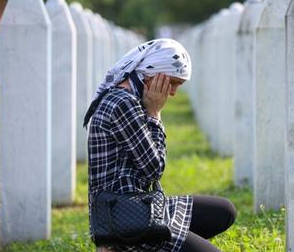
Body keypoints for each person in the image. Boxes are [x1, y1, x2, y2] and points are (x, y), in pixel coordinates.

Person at [84, 38, 236, 252]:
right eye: (173, 83)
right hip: (123, 219)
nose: (173, 92)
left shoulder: (129, 97)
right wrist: (154, 114)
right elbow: (154, 169)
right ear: (154, 73)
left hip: (137, 203)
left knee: (224, 211)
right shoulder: (123, 102)